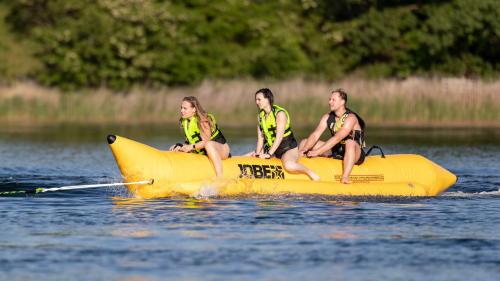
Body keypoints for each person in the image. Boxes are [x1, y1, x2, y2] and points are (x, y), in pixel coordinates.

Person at [242, 88, 320, 181]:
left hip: (288, 149)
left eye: (259, 99)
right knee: (244, 157)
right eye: (256, 100)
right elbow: (261, 138)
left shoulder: (280, 114)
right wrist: (258, 154)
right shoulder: (260, 116)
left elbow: (279, 138)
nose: (256, 102)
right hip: (273, 150)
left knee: (289, 166)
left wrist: (268, 154)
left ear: (267, 100)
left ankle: (309, 171)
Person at [298, 89, 366, 184]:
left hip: (354, 152)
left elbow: (337, 138)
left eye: (333, 100)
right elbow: (315, 134)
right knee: (305, 142)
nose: (330, 102)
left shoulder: (351, 118)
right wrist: (304, 150)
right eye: (330, 99)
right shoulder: (327, 117)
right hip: (337, 150)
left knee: (349, 143)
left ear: (342, 102)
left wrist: (317, 151)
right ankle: (300, 170)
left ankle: (345, 178)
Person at [169, 96, 230, 178]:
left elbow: (206, 141)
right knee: (173, 147)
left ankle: (220, 176)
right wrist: (181, 148)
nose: (181, 110)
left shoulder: (203, 119)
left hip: (221, 150)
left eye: (185, 108)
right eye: (181, 108)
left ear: (194, 109)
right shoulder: (183, 121)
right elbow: (188, 142)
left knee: (209, 144)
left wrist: (191, 147)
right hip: (200, 151)